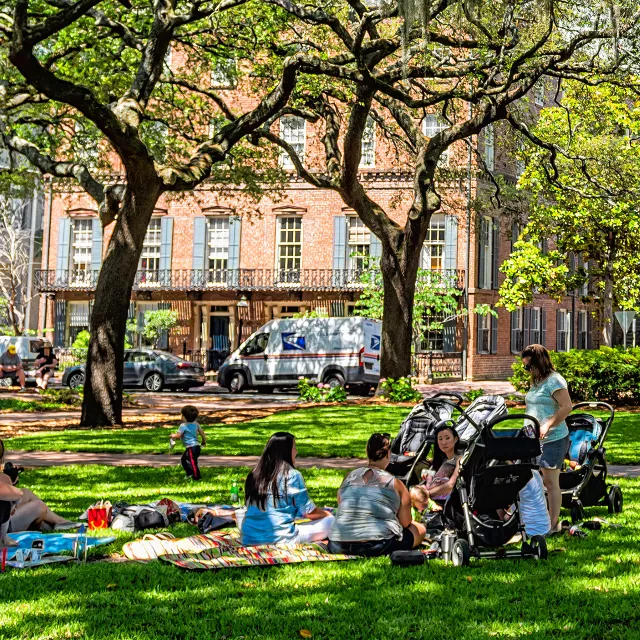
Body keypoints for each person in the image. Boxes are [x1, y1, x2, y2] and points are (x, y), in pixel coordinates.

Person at [328, 433, 426, 557]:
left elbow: (341, 502)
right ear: (388, 454)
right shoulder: (396, 484)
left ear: (367, 452)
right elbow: (405, 523)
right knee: (419, 529)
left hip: (337, 544)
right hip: (375, 545)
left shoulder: (349, 476)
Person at [241, 432, 334, 545]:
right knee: (333, 521)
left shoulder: (253, 474)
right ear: (285, 451)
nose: (297, 452)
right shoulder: (292, 475)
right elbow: (309, 512)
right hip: (281, 538)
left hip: (248, 537)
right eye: (294, 447)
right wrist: (327, 514)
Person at [521, 344, 572, 535]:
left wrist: (547, 424)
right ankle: (537, 519)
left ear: (539, 362)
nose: (527, 371)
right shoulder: (536, 381)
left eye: (528, 367)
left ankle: (552, 522)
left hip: (554, 438)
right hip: (533, 438)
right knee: (532, 479)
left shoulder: (554, 380)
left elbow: (567, 407)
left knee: (550, 482)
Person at [0, 439, 79, 541]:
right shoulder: (3, 478)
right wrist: (10, 482)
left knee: (26, 493)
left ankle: (58, 521)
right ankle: (53, 523)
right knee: (39, 506)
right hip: (4, 527)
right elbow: (15, 497)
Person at [409, 425, 462, 515]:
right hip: (430, 496)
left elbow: (451, 485)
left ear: (456, 439)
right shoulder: (442, 459)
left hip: (443, 500)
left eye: (447, 438)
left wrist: (427, 493)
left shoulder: (459, 459)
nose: (444, 442)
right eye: (440, 439)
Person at [169, 405, 206, 481]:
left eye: (182, 415)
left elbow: (178, 435)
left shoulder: (183, 426)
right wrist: (203, 441)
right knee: (184, 460)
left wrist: (173, 435)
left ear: (184, 417)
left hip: (191, 448)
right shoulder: (196, 424)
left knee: (192, 463)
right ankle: (189, 473)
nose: (181, 417)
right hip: (196, 447)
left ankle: (196, 477)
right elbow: (202, 433)